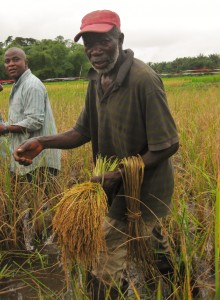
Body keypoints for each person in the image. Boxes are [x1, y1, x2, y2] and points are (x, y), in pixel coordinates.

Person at [13, 10, 179, 299]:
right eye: (88, 43)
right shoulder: (96, 79)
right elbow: (82, 131)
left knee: (103, 263)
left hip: (145, 189)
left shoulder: (144, 80)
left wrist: (119, 174)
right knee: (152, 247)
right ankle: (179, 287)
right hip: (113, 187)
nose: (95, 50)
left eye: (103, 40)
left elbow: (167, 145)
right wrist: (42, 141)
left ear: (120, 39)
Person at [0, 47, 61, 250]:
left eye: (15, 59)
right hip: (27, 156)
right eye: (7, 61)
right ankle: (40, 244)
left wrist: (6, 128)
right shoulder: (19, 85)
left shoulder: (32, 85)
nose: (10, 64)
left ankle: (53, 245)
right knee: (35, 202)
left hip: (39, 157)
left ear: (25, 62)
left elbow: (34, 121)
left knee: (46, 200)